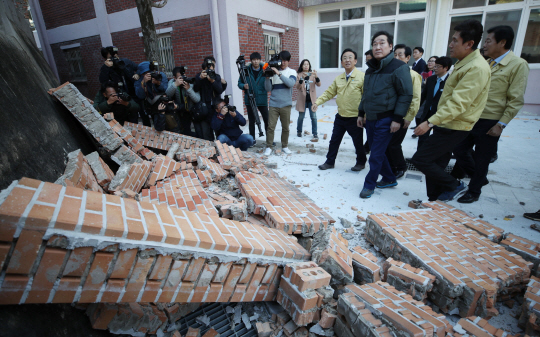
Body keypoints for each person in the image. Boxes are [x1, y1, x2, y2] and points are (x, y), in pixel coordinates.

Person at [412, 19, 491, 202]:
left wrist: (429, 122)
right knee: (437, 163)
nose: (451, 44)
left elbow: (458, 103)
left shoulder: (476, 68)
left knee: (421, 159)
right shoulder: (464, 63)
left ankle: (454, 185)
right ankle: (435, 199)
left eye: (455, 40)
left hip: (455, 125)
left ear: (469, 44)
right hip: (447, 121)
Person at [452, 25, 529, 203]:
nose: (484, 44)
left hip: (491, 120)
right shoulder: (484, 62)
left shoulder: (517, 65)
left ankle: (474, 190)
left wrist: (501, 124)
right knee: (458, 148)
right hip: (472, 117)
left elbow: (516, 99)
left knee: (482, 158)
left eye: (488, 40)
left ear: (502, 42)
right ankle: (479, 177)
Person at [357, 32, 413, 199]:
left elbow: (406, 95)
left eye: (382, 43)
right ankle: (389, 178)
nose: (378, 47)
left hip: (387, 119)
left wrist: (398, 118)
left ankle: (369, 185)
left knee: (375, 155)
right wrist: (361, 113)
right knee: (377, 151)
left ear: (390, 47)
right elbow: (365, 94)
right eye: (375, 44)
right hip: (371, 119)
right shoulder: (370, 69)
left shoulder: (399, 67)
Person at [313, 48, 366, 172]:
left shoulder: (362, 77)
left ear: (355, 61)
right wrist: (317, 102)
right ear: (341, 62)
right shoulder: (339, 79)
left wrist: (364, 115)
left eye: (350, 57)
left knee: (358, 142)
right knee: (334, 141)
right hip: (341, 116)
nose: (347, 60)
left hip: (355, 117)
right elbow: (329, 93)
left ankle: (361, 162)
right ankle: (330, 162)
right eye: (344, 58)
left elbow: (366, 97)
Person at [385, 44, 421, 179]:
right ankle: (391, 166)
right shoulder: (391, 72)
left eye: (400, 55)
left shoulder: (413, 75)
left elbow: (416, 98)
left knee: (394, 144)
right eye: (395, 55)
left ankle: (401, 166)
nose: (397, 57)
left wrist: (409, 117)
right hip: (389, 114)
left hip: (402, 116)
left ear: (408, 58)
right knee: (388, 143)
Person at [98, 46, 143, 125]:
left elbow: (139, 67)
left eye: (115, 54)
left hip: (133, 95)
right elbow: (103, 82)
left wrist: (137, 74)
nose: (114, 57)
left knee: (134, 117)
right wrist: (106, 68)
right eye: (111, 56)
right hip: (119, 98)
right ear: (105, 58)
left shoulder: (125, 62)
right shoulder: (106, 68)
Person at [264, 51, 297, 156]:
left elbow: (290, 83)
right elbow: (268, 89)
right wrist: (267, 77)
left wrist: (279, 73)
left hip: (286, 104)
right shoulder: (273, 72)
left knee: (286, 127)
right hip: (273, 104)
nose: (283, 63)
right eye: (281, 60)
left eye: (285, 60)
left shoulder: (292, 72)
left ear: (288, 61)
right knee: (270, 127)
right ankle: (268, 147)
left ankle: (285, 146)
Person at [417, 57, 452, 149]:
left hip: (441, 115)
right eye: (435, 66)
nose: (435, 68)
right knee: (422, 137)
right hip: (427, 113)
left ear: (446, 68)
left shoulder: (451, 81)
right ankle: (419, 158)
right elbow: (423, 96)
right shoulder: (431, 79)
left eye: (438, 66)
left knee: (438, 138)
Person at [237, 52, 269, 144]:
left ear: (260, 60)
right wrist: (244, 86)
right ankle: (252, 140)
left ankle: (269, 140)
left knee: (267, 120)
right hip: (250, 99)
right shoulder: (245, 70)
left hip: (262, 99)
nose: (256, 61)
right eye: (254, 60)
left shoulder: (265, 70)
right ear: (251, 61)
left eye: (257, 59)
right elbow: (239, 83)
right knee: (251, 121)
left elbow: (269, 82)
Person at [193, 57, 225, 141]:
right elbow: (195, 89)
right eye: (208, 66)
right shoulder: (199, 76)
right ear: (204, 67)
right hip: (204, 109)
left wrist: (213, 81)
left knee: (219, 131)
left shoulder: (216, 77)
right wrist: (200, 78)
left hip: (216, 108)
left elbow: (220, 90)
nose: (210, 69)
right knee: (206, 133)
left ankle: (220, 148)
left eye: (212, 66)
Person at [166, 67, 201, 136]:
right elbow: (167, 94)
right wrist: (175, 85)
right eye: (180, 77)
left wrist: (189, 89)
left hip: (190, 111)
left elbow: (197, 99)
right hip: (177, 111)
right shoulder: (172, 82)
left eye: (184, 76)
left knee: (190, 132)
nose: (182, 79)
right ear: (175, 78)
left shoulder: (189, 83)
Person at [296, 59, 321, 139]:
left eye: (307, 64)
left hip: (311, 99)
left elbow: (319, 84)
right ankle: (299, 131)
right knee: (301, 117)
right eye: (304, 64)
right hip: (302, 99)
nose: (306, 66)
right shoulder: (299, 75)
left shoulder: (313, 74)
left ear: (309, 65)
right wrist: (301, 79)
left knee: (313, 117)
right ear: (301, 66)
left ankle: (315, 133)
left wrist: (316, 76)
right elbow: (297, 87)